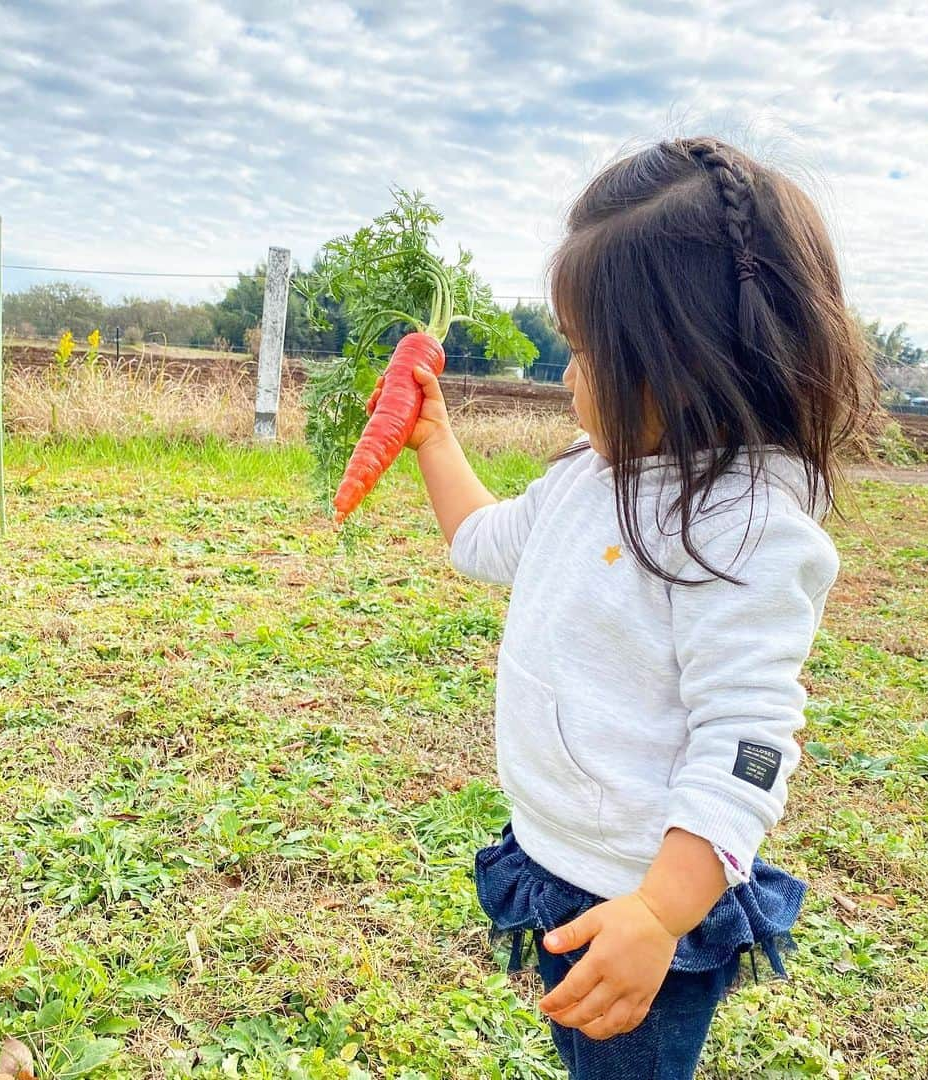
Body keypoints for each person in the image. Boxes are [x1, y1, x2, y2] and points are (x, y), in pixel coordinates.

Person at [366, 135, 877, 1079]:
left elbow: (748, 744)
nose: (569, 377)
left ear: (678, 364)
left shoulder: (744, 529)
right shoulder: (586, 478)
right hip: (562, 862)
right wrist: (432, 440)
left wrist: (657, 914)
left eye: (586, 352)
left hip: (649, 898)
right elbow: (482, 542)